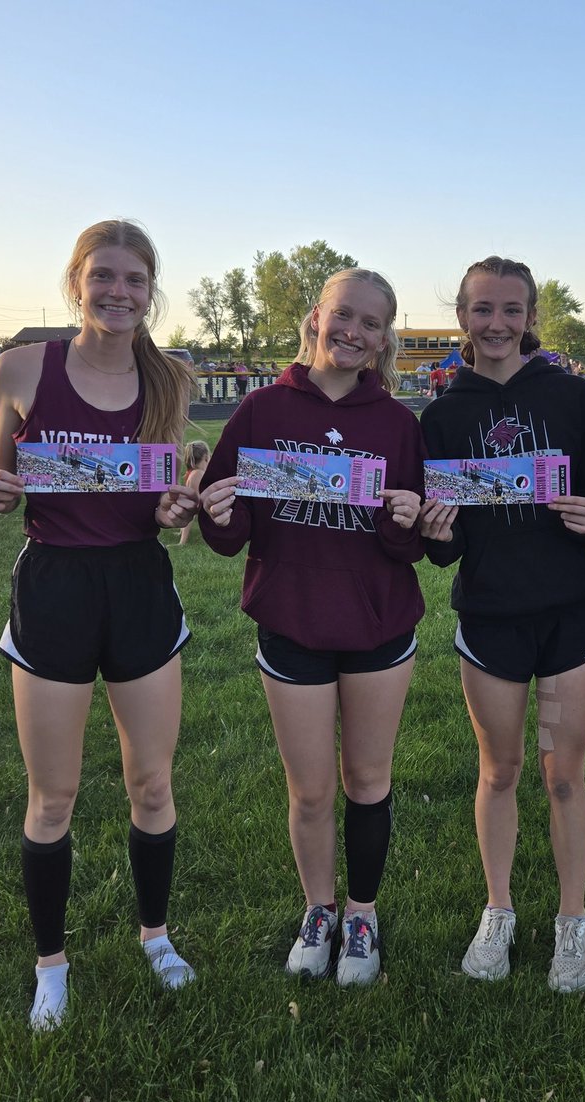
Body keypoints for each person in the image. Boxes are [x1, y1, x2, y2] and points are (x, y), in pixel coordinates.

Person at [0, 219, 200, 1032]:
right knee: (53, 796)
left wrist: (176, 509)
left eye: (134, 279)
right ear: (77, 281)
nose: (118, 291)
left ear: (150, 292)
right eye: (103, 275)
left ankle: (156, 937)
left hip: (138, 584)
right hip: (55, 585)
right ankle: (51, 965)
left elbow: (166, 495)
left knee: (153, 784)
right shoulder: (20, 368)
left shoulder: (170, 378)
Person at [198, 268, 425, 987]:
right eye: (343, 315)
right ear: (316, 317)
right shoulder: (261, 410)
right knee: (310, 790)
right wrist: (216, 512)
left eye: (370, 323)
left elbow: (411, 545)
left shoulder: (397, 424)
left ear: (384, 339)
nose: (353, 332)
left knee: (367, 779)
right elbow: (228, 533)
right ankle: (318, 908)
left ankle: (362, 914)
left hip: (377, 624)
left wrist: (406, 521)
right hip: (290, 620)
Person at [418, 256, 585, 994]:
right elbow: (446, 547)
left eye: (511, 309)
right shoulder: (442, 414)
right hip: (491, 616)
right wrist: (437, 531)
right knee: (498, 771)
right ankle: (497, 910)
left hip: (570, 613)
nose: (496, 323)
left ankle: (573, 919)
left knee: (564, 775)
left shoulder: (569, 395)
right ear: (462, 317)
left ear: (531, 316)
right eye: (482, 309)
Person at [178, 440, 211, 545]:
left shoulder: (193, 472)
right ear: (206, 457)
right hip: (197, 506)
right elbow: (194, 506)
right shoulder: (198, 474)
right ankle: (183, 541)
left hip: (192, 505)